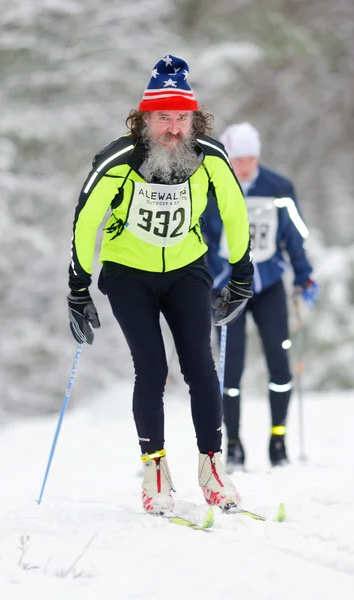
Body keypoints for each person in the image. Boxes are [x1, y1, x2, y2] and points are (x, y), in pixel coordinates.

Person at [66, 55, 254, 514]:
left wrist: (243, 275)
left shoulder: (209, 157)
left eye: (181, 117)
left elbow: (234, 213)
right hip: (128, 272)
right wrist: (78, 286)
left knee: (201, 367)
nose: (173, 128)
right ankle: (154, 470)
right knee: (151, 368)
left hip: (187, 267)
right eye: (163, 117)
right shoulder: (118, 158)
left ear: (195, 119)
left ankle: (212, 467)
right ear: (144, 118)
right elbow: (86, 219)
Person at [202, 122, 319, 471]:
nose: (246, 165)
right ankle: (234, 443)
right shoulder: (211, 187)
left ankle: (278, 439)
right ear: (227, 157)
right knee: (229, 368)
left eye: (251, 157)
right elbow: (201, 238)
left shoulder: (278, 187)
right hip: (227, 288)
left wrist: (304, 275)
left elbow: (294, 235)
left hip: (267, 285)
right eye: (238, 158)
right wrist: (211, 276)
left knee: (279, 363)